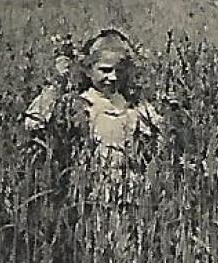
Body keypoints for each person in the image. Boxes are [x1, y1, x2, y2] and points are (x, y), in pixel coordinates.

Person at [22, 29, 162, 169]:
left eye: (119, 71)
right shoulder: (79, 104)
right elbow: (34, 123)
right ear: (89, 70)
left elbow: (159, 140)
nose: (113, 78)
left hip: (129, 181)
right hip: (90, 180)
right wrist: (58, 83)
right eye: (105, 70)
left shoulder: (133, 105)